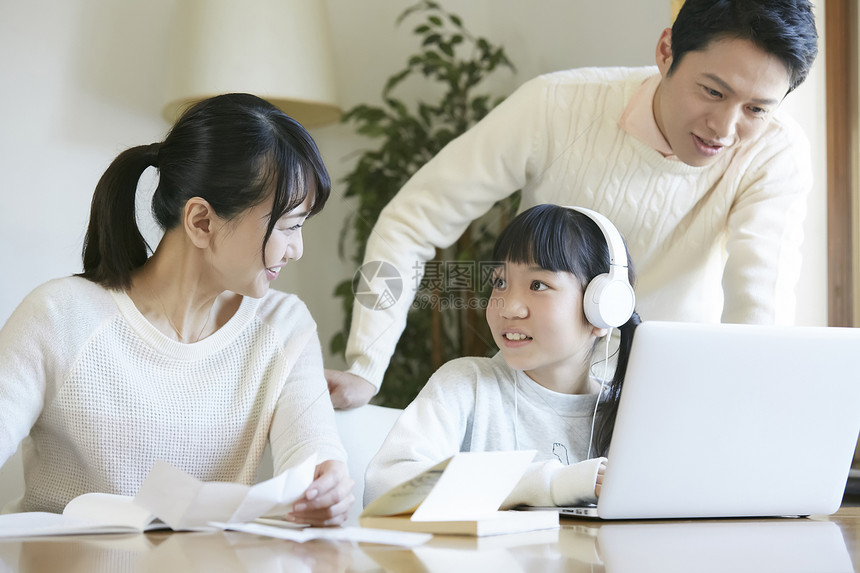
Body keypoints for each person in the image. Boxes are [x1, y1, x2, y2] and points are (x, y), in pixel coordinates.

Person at [326, 0, 819, 409]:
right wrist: (366, 366)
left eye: (756, 109)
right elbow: (412, 219)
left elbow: (759, 308)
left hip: (670, 404)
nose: (725, 128)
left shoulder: (774, 152)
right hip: (533, 398)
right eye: (713, 91)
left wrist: (749, 420)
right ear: (667, 51)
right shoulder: (555, 106)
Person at [0, 93, 353, 526]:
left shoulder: (283, 326)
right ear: (202, 221)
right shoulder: (58, 317)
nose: (296, 249)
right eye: (287, 226)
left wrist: (328, 488)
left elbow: (314, 456)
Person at [364, 204, 640, 507]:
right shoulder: (466, 385)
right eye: (500, 283)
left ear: (602, 309)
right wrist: (546, 484)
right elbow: (384, 489)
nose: (508, 308)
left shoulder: (630, 413)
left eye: (538, 285)